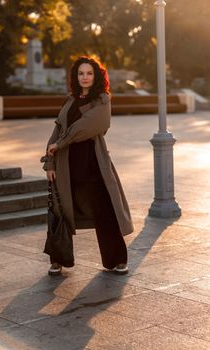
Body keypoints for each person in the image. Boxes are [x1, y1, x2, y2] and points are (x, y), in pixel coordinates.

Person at [41, 56, 134, 276]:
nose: (85, 77)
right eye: (81, 73)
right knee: (59, 210)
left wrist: (60, 143)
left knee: (105, 211)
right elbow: (57, 130)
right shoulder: (70, 100)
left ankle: (117, 259)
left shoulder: (102, 100)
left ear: (96, 76)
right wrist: (50, 163)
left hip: (93, 164)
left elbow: (89, 126)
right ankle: (57, 259)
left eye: (89, 73)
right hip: (66, 165)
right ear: (76, 76)